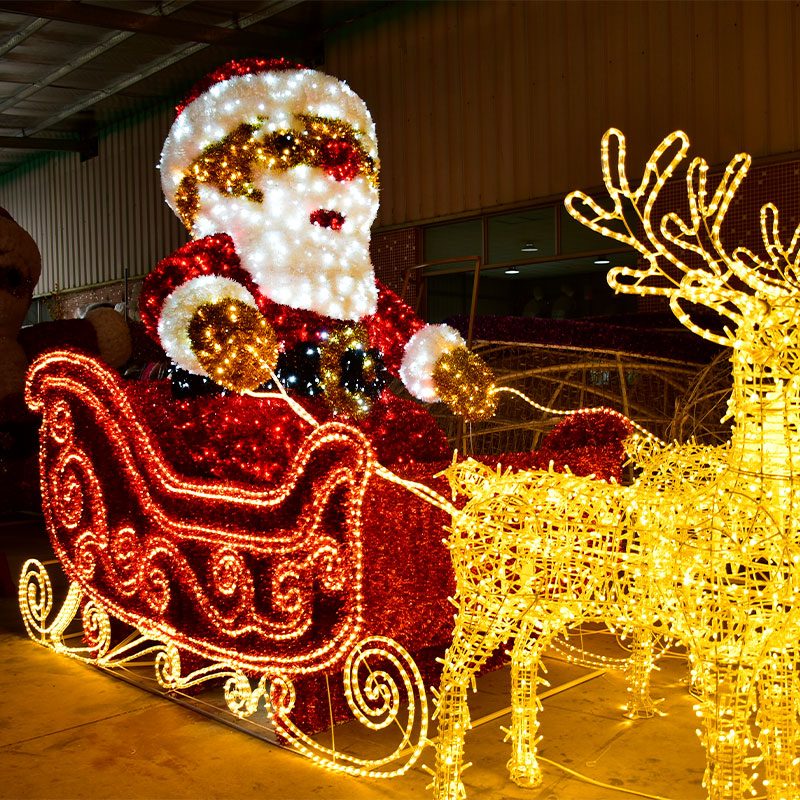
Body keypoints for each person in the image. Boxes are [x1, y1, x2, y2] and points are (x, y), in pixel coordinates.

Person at [139, 58, 495, 467]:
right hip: (258, 409)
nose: (340, 171)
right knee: (280, 445)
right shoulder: (228, 253)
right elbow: (170, 288)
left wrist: (445, 365)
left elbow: (404, 334)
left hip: (354, 414)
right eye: (290, 147)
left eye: (355, 156)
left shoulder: (352, 282)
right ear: (218, 178)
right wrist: (217, 324)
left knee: (416, 433)